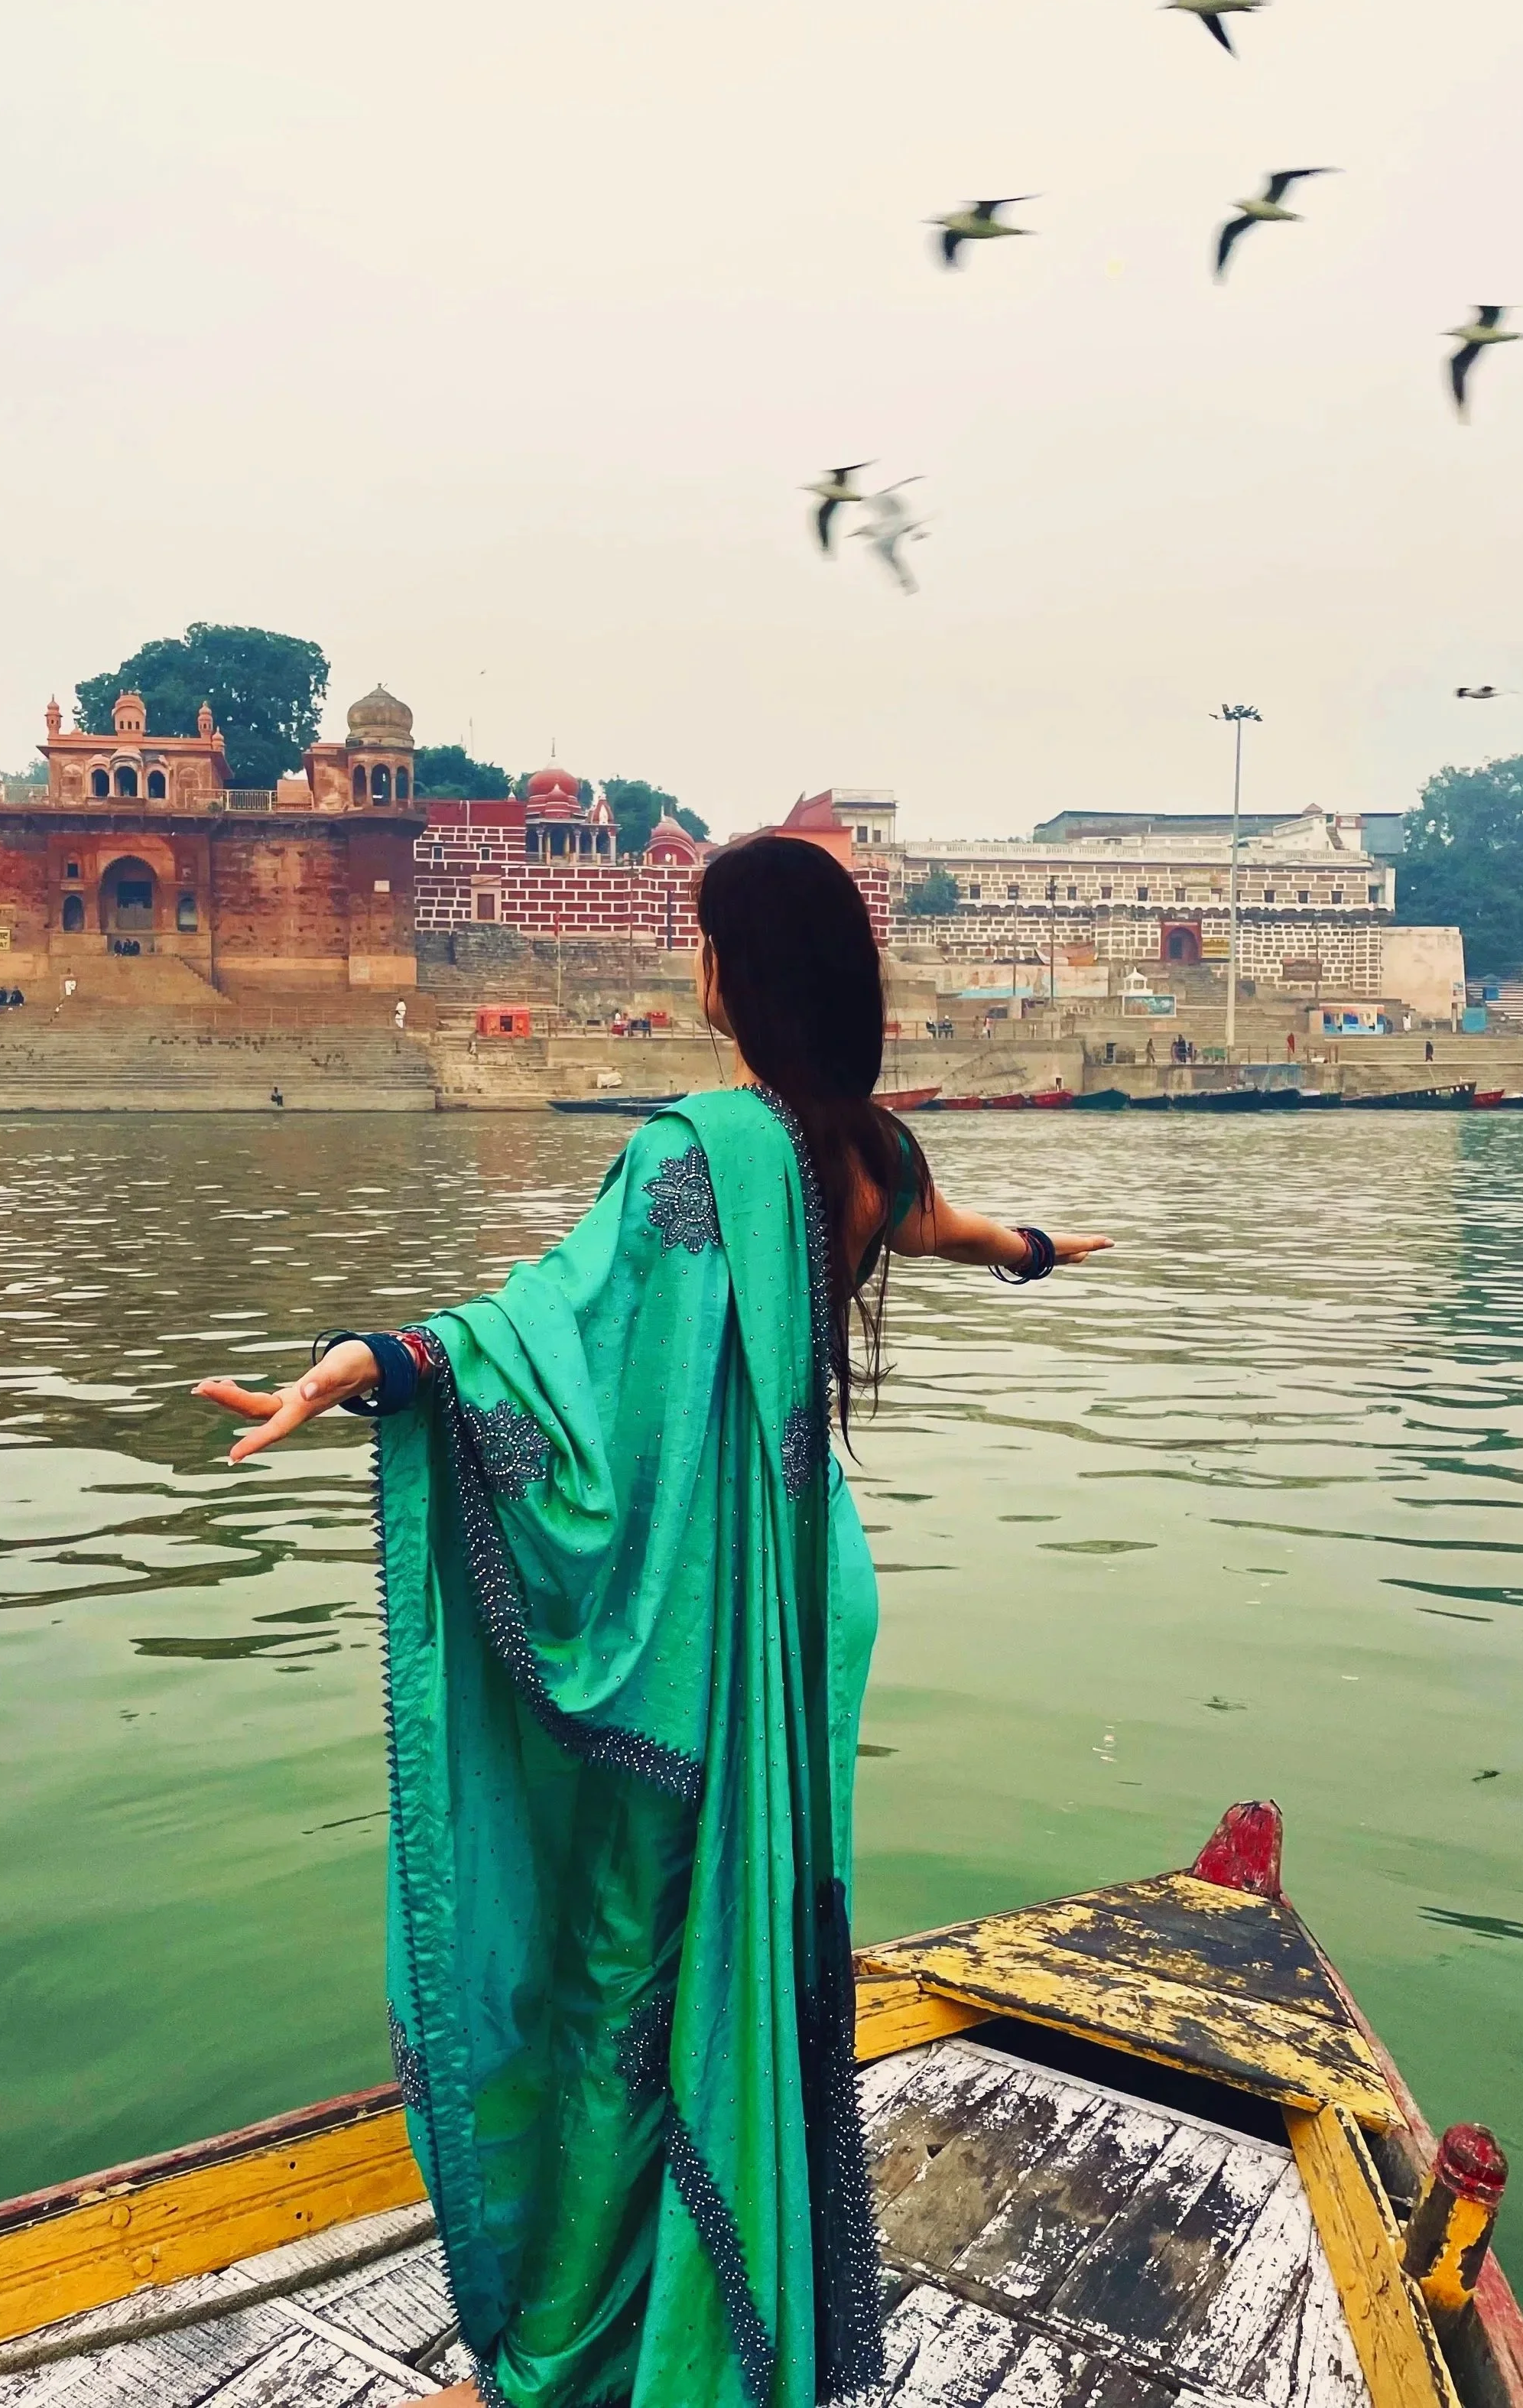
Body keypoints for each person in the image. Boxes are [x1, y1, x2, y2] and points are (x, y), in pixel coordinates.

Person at [194, 835, 1111, 2408]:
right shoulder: (862, 1147)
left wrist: (372, 1363)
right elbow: (951, 1234)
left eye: (702, 946)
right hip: (809, 1604)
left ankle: (549, 2370)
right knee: (754, 1949)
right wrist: (1036, 1255)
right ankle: (712, 2302)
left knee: (628, 1984)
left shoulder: (693, 1148)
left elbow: (551, 1334)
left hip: (687, 1640)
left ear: (727, 976)